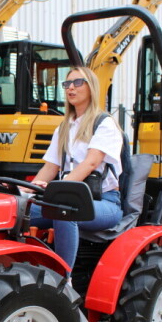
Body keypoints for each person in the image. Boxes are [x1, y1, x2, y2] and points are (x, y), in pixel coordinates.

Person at [28, 66, 123, 269]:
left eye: (78, 82)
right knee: (17, 211)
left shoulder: (104, 124)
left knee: (64, 211)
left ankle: (64, 278)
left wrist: (56, 191)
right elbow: (50, 167)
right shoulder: (63, 127)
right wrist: (22, 191)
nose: (71, 88)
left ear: (91, 87)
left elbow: (91, 163)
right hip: (68, 200)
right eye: (67, 84)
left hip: (103, 202)